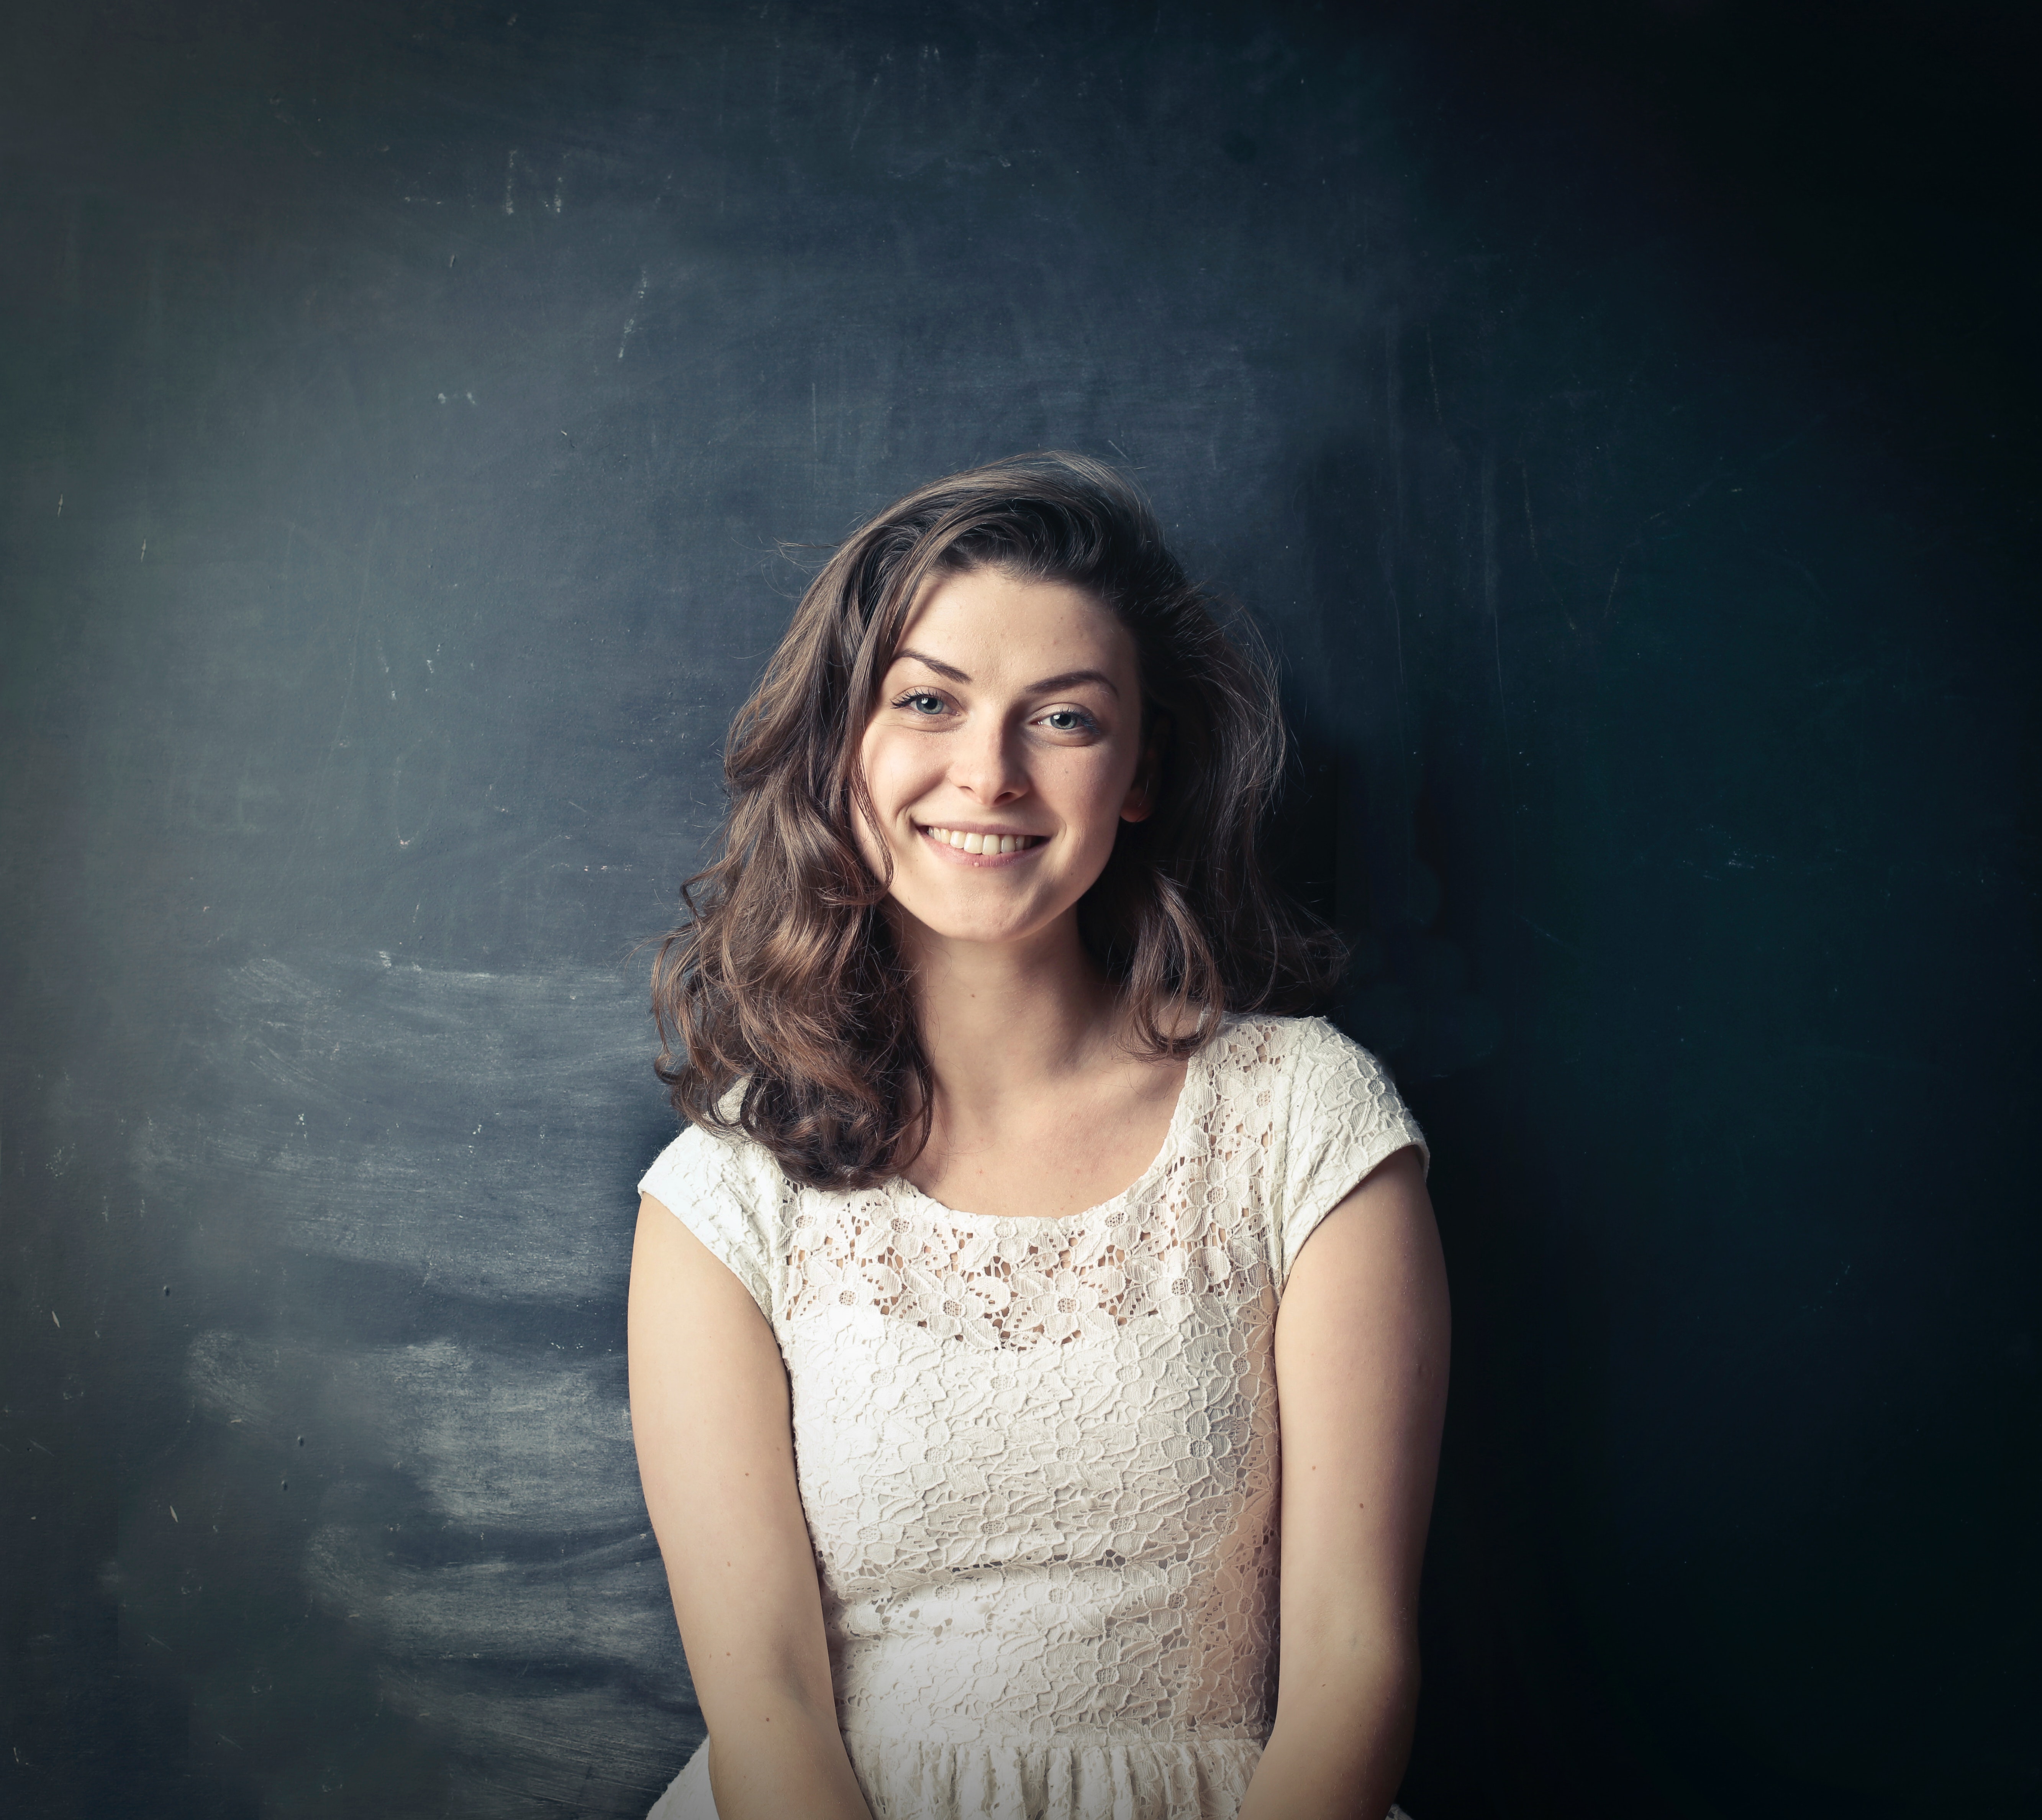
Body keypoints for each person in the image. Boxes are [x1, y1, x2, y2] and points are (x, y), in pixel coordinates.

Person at [628, 453, 1450, 1820]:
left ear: (1137, 773)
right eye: (927, 702)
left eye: (1061, 718)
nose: (988, 773)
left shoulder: (1308, 1120)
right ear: (844, 745)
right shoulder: (725, 1192)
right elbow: (762, 1701)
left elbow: (1355, 1664)